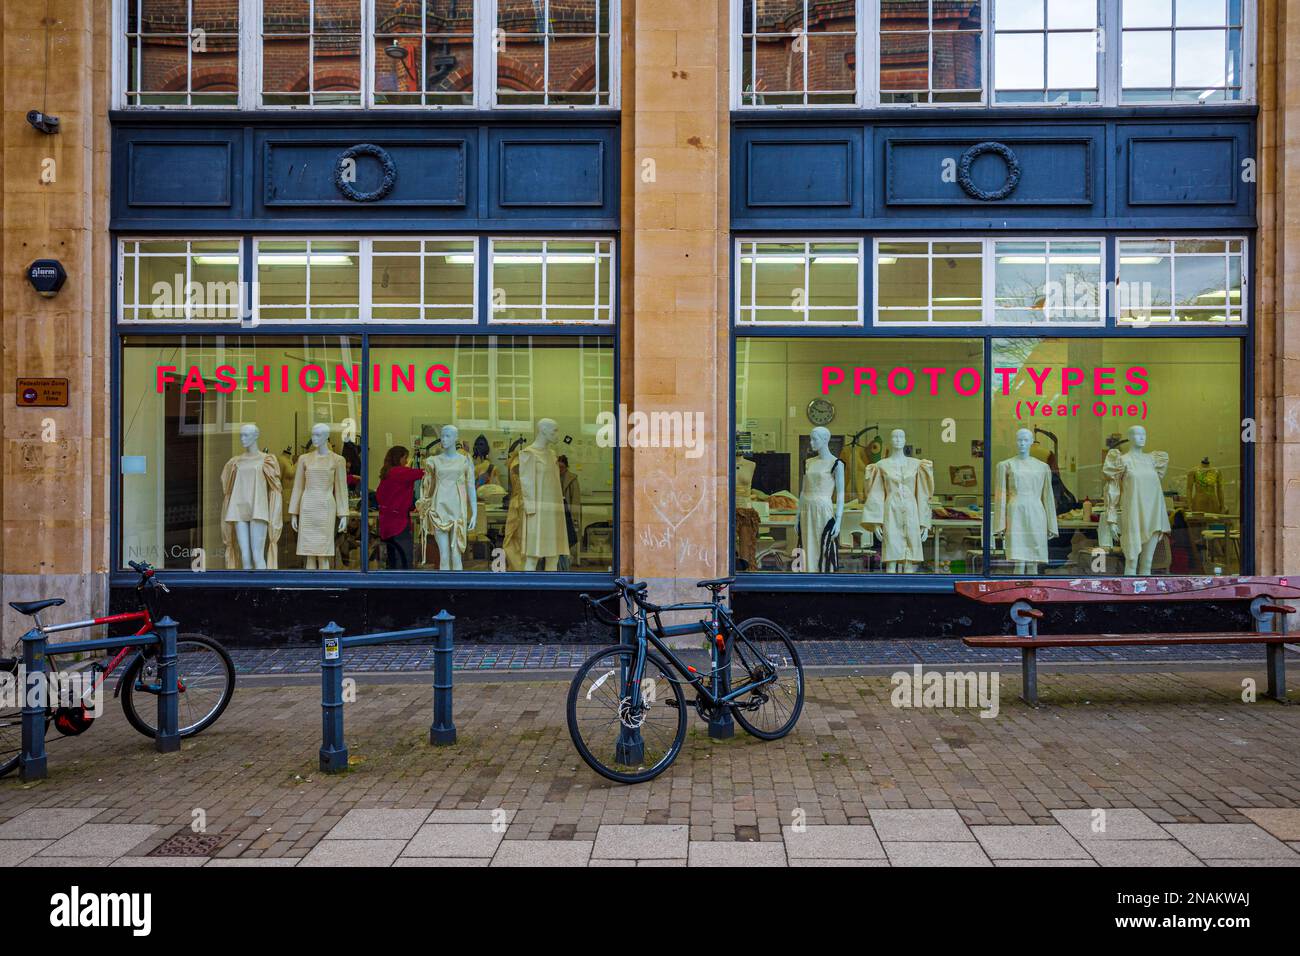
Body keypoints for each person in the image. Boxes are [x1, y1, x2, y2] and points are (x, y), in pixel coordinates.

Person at [376, 446, 423, 570]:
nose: (407, 462)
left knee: (392, 559)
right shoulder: (400, 472)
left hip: (386, 523)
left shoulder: (386, 473)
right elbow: (422, 473)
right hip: (398, 523)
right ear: (399, 458)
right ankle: (404, 587)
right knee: (404, 559)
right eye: (405, 458)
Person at [557, 454, 582, 571]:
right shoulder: (553, 477)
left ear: (566, 467)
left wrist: (574, 518)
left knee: (568, 540)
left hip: (567, 514)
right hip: (557, 513)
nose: (560, 470)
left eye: (562, 467)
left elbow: (575, 500)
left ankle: (566, 564)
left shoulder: (572, 479)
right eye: (558, 467)